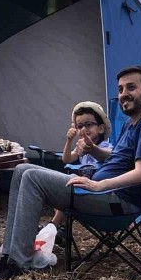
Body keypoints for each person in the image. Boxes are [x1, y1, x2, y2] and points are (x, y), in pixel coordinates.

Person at [0, 66, 141, 280]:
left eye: (131, 87)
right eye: (120, 88)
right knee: (22, 169)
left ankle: (18, 263)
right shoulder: (131, 124)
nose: (124, 93)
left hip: (114, 201)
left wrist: (100, 185)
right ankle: (8, 256)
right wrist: (94, 150)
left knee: (32, 177)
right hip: (98, 193)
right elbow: (116, 158)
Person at [45, 102, 113, 240]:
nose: (83, 129)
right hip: (82, 188)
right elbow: (67, 159)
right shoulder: (80, 147)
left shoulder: (104, 145)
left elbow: (110, 154)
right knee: (60, 194)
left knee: (67, 189)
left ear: (100, 128)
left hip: (98, 190)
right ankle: (61, 229)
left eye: (88, 125)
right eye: (79, 126)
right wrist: (69, 140)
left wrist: (92, 148)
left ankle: (53, 227)